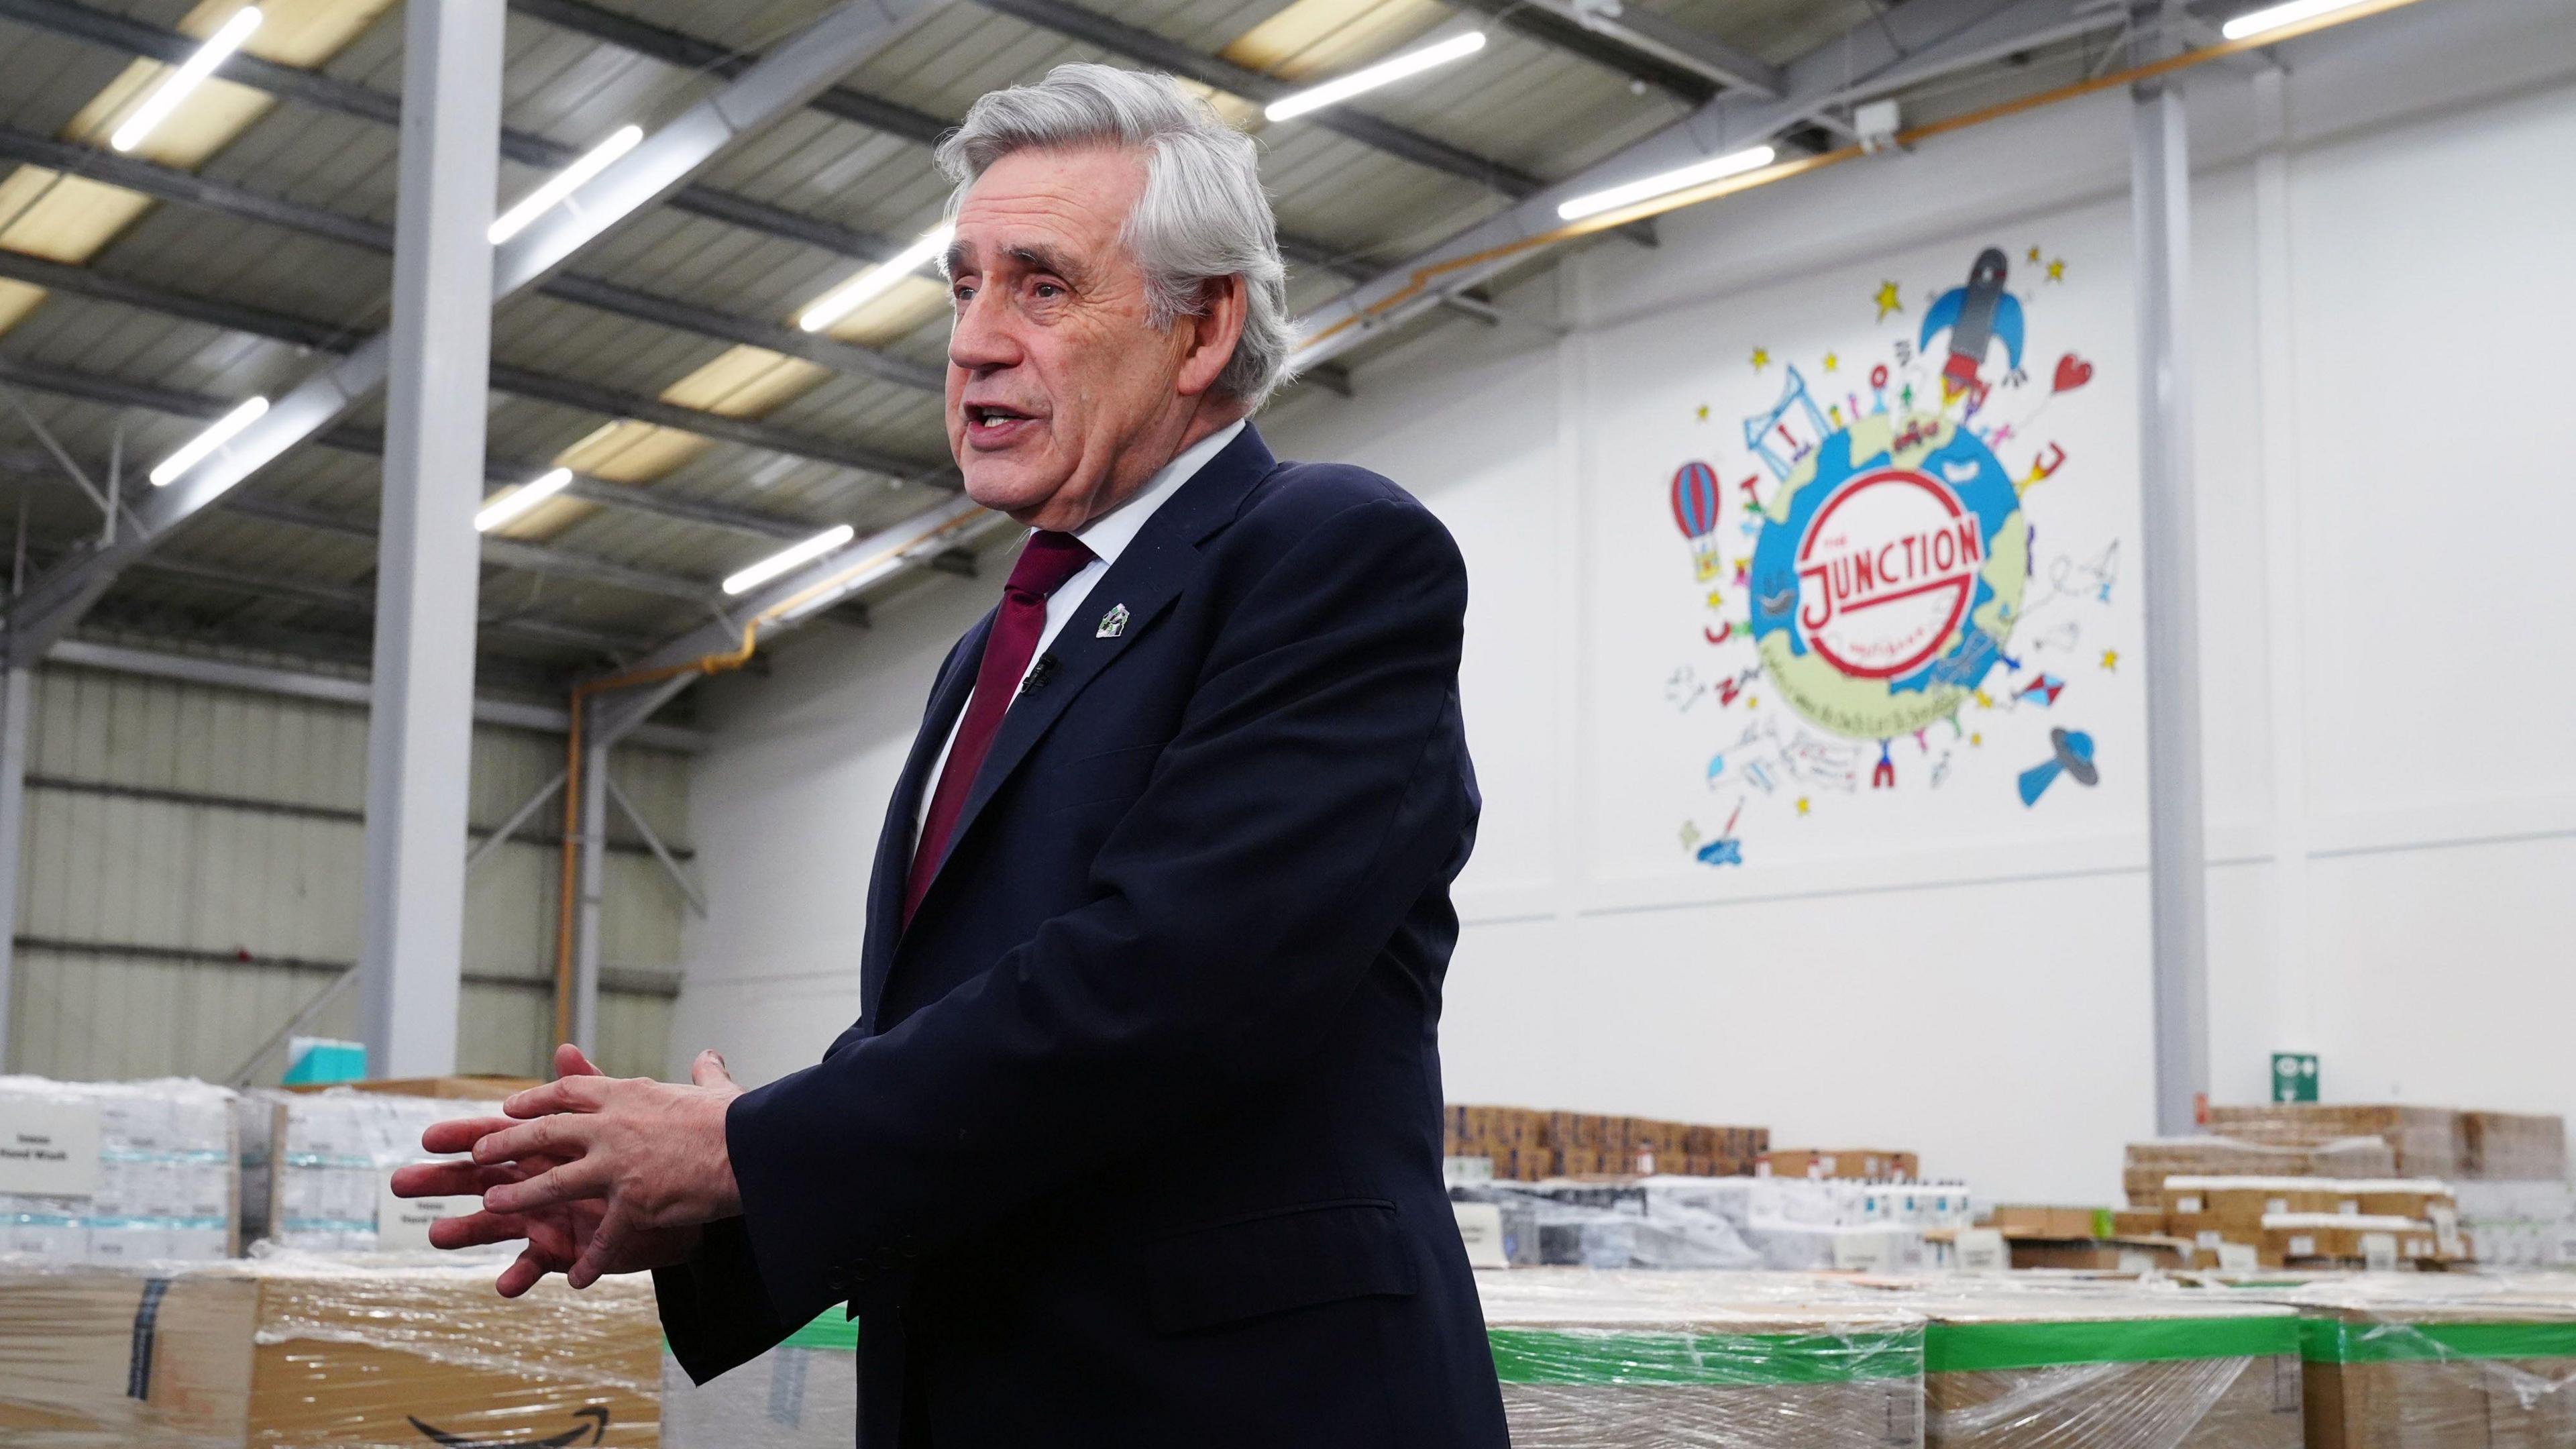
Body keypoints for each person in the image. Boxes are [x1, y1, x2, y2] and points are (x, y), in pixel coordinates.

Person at [394, 64, 1504, 1448]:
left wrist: (745, 1150)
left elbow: (1163, 984)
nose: (974, 342)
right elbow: (955, 1023)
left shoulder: (1328, 553)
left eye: (1040, 286)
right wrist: (688, 1201)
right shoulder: (990, 651)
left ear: (1203, 325)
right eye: (962, 285)